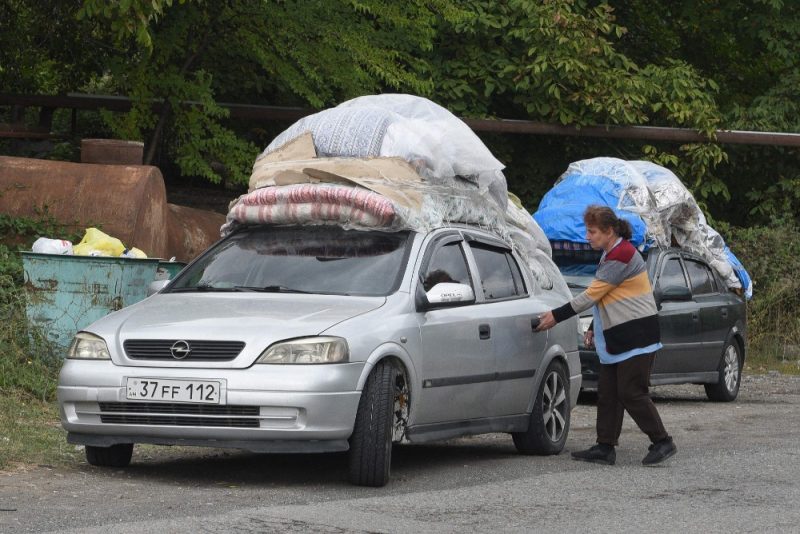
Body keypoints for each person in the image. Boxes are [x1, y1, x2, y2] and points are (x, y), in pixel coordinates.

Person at [536, 205, 677, 466]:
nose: (587, 237)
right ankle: (605, 447)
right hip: (619, 336)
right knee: (608, 393)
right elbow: (610, 296)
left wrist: (555, 316)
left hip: (637, 336)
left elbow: (591, 295)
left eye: (592, 232)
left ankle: (662, 441)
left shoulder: (621, 255)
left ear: (609, 231)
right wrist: (593, 328)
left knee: (631, 392)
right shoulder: (610, 253)